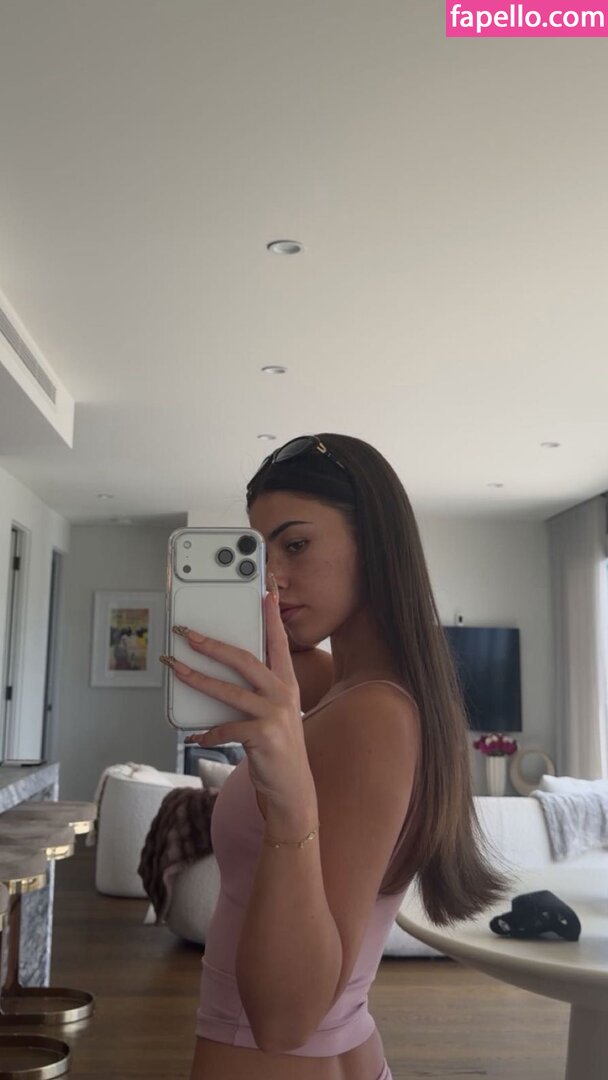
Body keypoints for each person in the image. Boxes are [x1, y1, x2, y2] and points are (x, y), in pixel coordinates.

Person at [162, 433, 512, 1080]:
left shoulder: (371, 715)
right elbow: (283, 668)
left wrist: (290, 803)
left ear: (375, 543)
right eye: (258, 554)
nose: (272, 576)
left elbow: (285, 1022)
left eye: (295, 545)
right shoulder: (355, 688)